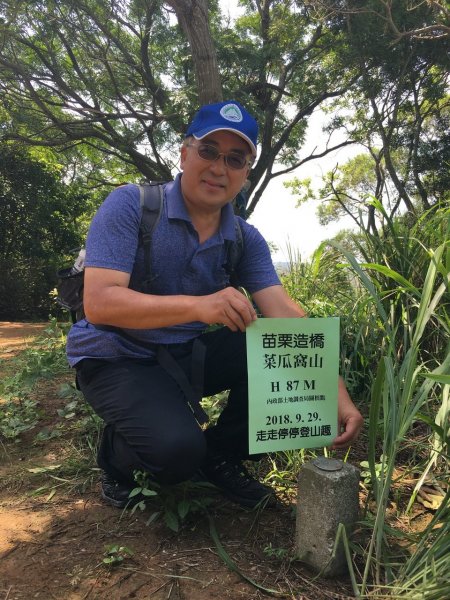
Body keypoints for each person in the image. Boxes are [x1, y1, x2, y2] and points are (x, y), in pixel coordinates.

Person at [66, 100, 363, 509]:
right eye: (208, 151)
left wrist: (336, 395)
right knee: (175, 453)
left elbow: (288, 316)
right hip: (116, 355)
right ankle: (117, 459)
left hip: (184, 355)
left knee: (275, 348)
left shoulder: (244, 238)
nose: (219, 168)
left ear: (246, 171)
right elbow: (99, 302)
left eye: (235, 159)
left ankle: (220, 454)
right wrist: (199, 306)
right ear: (185, 152)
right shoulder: (131, 205)